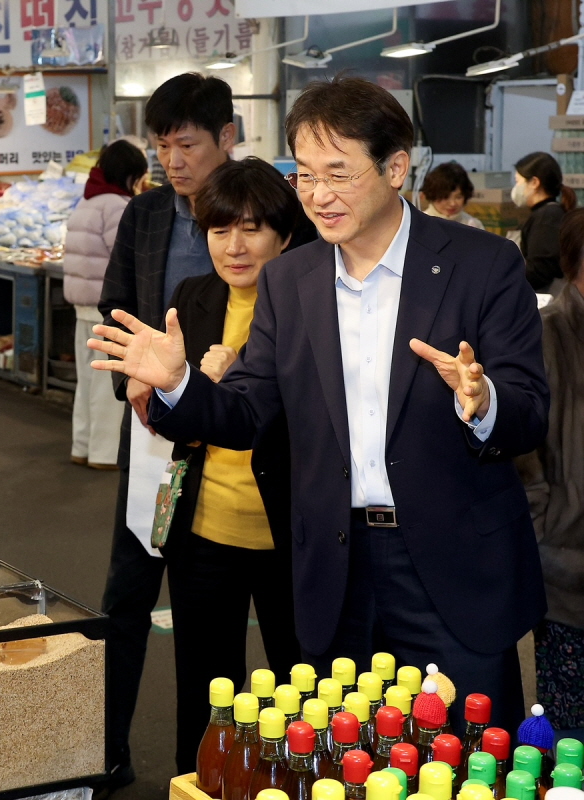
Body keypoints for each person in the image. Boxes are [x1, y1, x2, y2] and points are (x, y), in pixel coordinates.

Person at [90, 76, 549, 737]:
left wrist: (482, 403)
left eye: (338, 173)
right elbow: (249, 411)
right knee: (346, 757)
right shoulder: (292, 280)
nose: (318, 196)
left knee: (464, 755)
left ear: (396, 167)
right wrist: (181, 384)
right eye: (305, 175)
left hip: (449, 567)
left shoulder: (482, 265)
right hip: (335, 565)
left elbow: (531, 412)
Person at [95, 72, 235, 785]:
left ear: (228, 139)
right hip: (154, 435)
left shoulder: (260, 212)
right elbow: (115, 307)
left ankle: (210, 764)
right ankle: (108, 748)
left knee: (211, 611)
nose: (173, 160)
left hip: (238, 442)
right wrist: (135, 385)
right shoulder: (145, 217)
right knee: (128, 592)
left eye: (187, 144)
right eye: (162, 146)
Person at [163, 157, 303, 769]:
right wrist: (174, 393)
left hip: (291, 531)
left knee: (302, 691)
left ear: (285, 234)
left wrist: (213, 390)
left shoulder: (313, 308)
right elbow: (161, 417)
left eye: (251, 228)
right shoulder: (192, 299)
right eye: (220, 230)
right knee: (204, 691)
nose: (235, 246)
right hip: (203, 528)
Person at [517, 208, 584, 735]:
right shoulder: (546, 335)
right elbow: (522, 452)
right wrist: (546, 525)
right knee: (566, 742)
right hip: (568, 574)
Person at [65, 140, 148, 470]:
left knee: (85, 383)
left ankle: (81, 446)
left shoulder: (87, 202)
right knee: (105, 383)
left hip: (81, 306)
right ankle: (103, 454)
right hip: (107, 308)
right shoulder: (116, 205)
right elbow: (128, 255)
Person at [513, 151, 577, 293]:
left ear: (534, 182)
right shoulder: (546, 214)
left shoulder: (547, 217)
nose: (515, 188)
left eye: (518, 182)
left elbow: (540, 270)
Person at [420, 162, 484, 230]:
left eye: (458, 197)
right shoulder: (421, 224)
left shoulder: (473, 225)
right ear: (433, 195)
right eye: (446, 197)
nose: (452, 203)